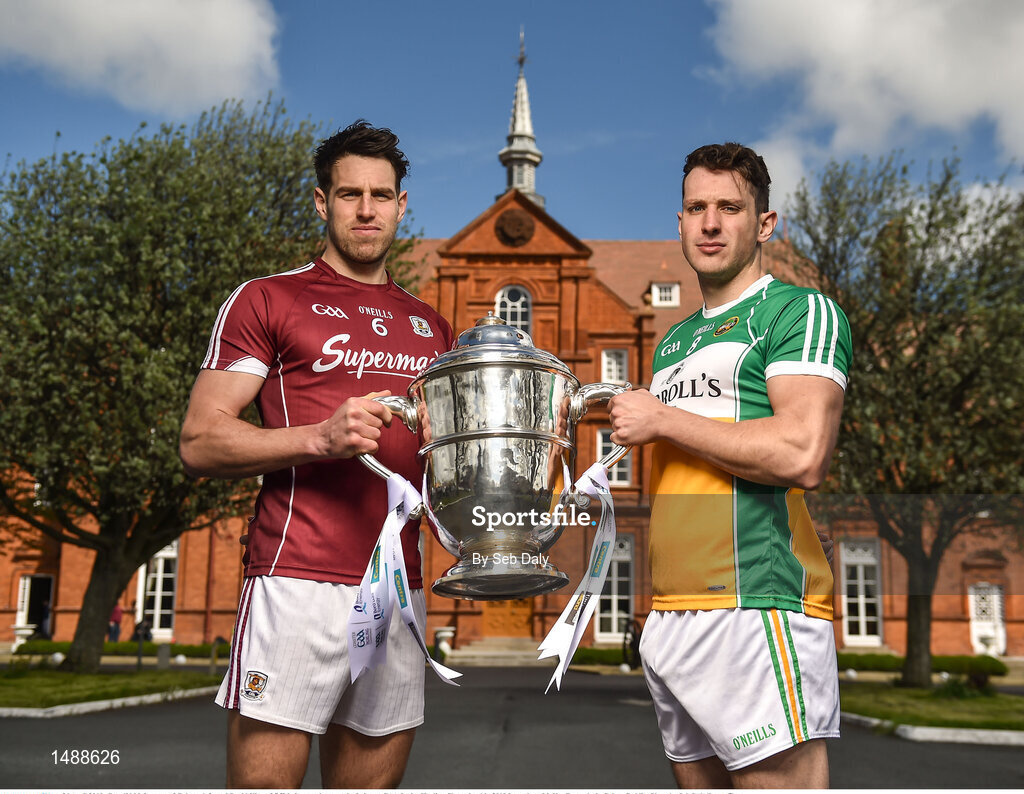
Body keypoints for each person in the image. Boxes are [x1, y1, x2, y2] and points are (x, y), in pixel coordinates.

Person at [179, 120, 454, 789]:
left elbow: (443, 466)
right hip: (295, 579)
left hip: (396, 589)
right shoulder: (269, 298)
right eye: (350, 193)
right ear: (320, 201)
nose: (367, 209)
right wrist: (317, 438)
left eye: (381, 195)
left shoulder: (433, 327)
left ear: (401, 205)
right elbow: (199, 439)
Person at [608, 142, 851, 789]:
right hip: (673, 614)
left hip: (757, 605)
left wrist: (661, 419)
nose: (710, 223)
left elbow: (803, 452)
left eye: (729, 207)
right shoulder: (674, 342)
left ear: (764, 224)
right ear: (680, 223)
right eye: (696, 208)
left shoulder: (798, 312)